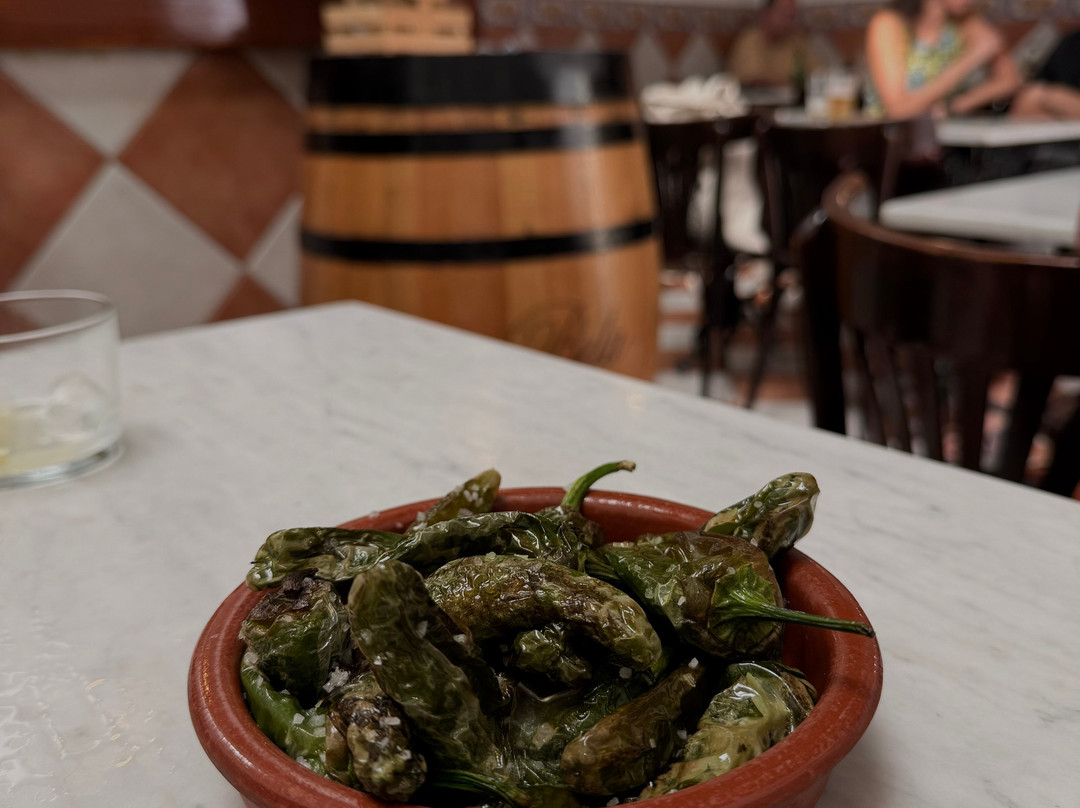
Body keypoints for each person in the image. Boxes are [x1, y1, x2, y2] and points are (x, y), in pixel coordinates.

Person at [864, 0, 1080, 119]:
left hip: (942, 138)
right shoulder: (888, 23)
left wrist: (956, 105)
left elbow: (1010, 80)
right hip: (888, 141)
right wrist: (970, 59)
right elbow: (899, 110)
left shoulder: (966, 23)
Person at [728, 0, 818, 88]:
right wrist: (794, 81)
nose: (788, 22)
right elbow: (754, 81)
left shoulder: (797, 41)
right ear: (766, 14)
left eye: (792, 16)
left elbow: (817, 73)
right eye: (783, 14)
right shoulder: (750, 40)